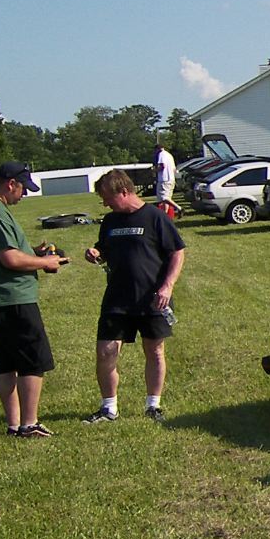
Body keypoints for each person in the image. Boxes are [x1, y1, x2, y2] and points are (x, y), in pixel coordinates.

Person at [0, 160, 66, 438]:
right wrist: (46, 263)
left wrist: (32, 251)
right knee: (32, 361)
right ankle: (29, 424)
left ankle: (14, 424)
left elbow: (4, 248)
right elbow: (9, 258)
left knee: (6, 363)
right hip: (12, 298)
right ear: (11, 184)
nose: (23, 195)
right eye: (23, 189)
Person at [80, 169, 186, 424]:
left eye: (108, 198)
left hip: (152, 298)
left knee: (154, 350)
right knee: (105, 351)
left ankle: (153, 405)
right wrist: (96, 253)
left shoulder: (155, 217)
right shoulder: (110, 221)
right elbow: (105, 249)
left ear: (124, 192)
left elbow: (177, 252)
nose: (105, 204)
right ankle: (109, 408)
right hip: (117, 297)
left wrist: (168, 286)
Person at [151, 138, 176, 202]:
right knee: (168, 199)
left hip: (164, 180)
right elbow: (174, 169)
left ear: (157, 149)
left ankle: (176, 207)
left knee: (163, 199)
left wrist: (154, 170)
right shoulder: (169, 155)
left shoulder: (161, 154)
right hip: (171, 179)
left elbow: (162, 166)